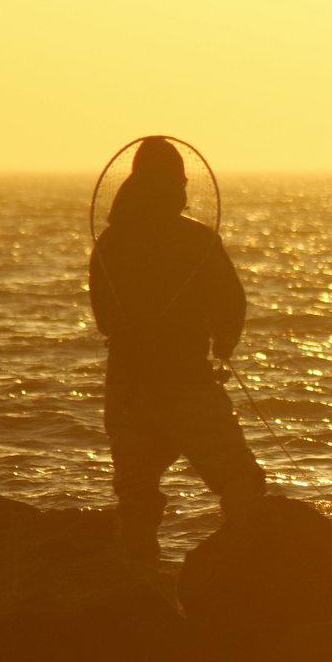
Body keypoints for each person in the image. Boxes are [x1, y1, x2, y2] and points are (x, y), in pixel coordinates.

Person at [88, 137, 265, 560]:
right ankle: (246, 576)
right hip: (186, 383)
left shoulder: (109, 244)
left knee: (136, 497)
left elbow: (102, 317)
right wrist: (224, 344)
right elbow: (230, 303)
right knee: (241, 483)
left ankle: (139, 590)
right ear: (176, 184)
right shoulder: (197, 239)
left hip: (127, 388)